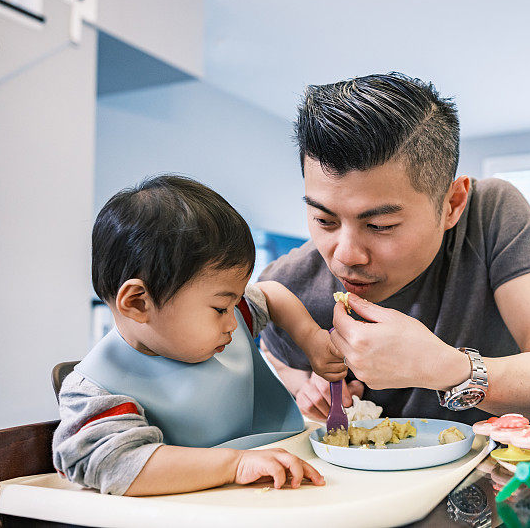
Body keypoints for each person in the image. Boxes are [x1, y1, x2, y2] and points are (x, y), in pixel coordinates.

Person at [259, 73, 530, 425]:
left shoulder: (491, 214)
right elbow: (272, 353)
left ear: (452, 204)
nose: (345, 256)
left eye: (380, 226)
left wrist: (443, 367)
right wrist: (303, 384)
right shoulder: (288, 285)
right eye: (324, 220)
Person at [53, 175, 342, 496]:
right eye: (220, 308)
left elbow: (270, 294)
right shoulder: (96, 392)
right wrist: (236, 465)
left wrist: (312, 339)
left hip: (284, 477)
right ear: (137, 302)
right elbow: (120, 466)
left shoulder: (231, 317)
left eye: (235, 302)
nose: (234, 320)